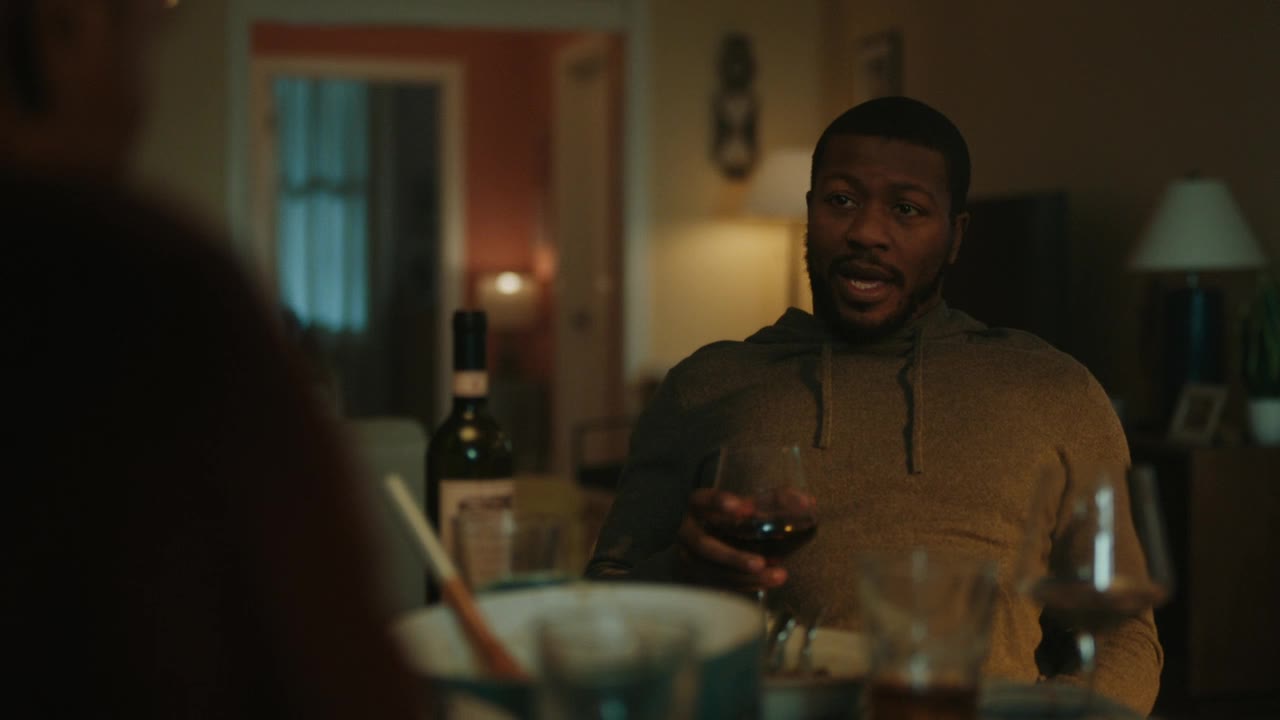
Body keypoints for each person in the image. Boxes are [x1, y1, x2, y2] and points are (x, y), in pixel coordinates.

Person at [586, 96, 1162, 713]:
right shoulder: (708, 383)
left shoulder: (1053, 389)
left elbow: (1125, 633)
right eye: (841, 200)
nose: (865, 232)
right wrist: (682, 572)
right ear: (810, 213)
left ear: (955, 235)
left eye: (906, 209)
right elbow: (599, 608)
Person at [2, 1, 422, 716]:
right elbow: (334, 674)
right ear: (65, 25)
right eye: (141, 27)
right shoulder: (141, 288)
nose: (145, 81)